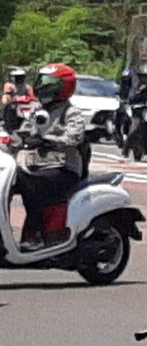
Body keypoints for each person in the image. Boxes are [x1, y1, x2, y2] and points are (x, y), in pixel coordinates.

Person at [14, 64, 85, 249]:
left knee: (33, 185)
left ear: (63, 86)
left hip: (63, 168)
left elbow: (75, 136)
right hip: (36, 165)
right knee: (15, 181)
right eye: (42, 82)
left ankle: (34, 235)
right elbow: (23, 131)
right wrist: (14, 137)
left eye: (49, 83)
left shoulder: (71, 112)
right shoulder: (38, 109)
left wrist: (47, 140)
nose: (42, 86)